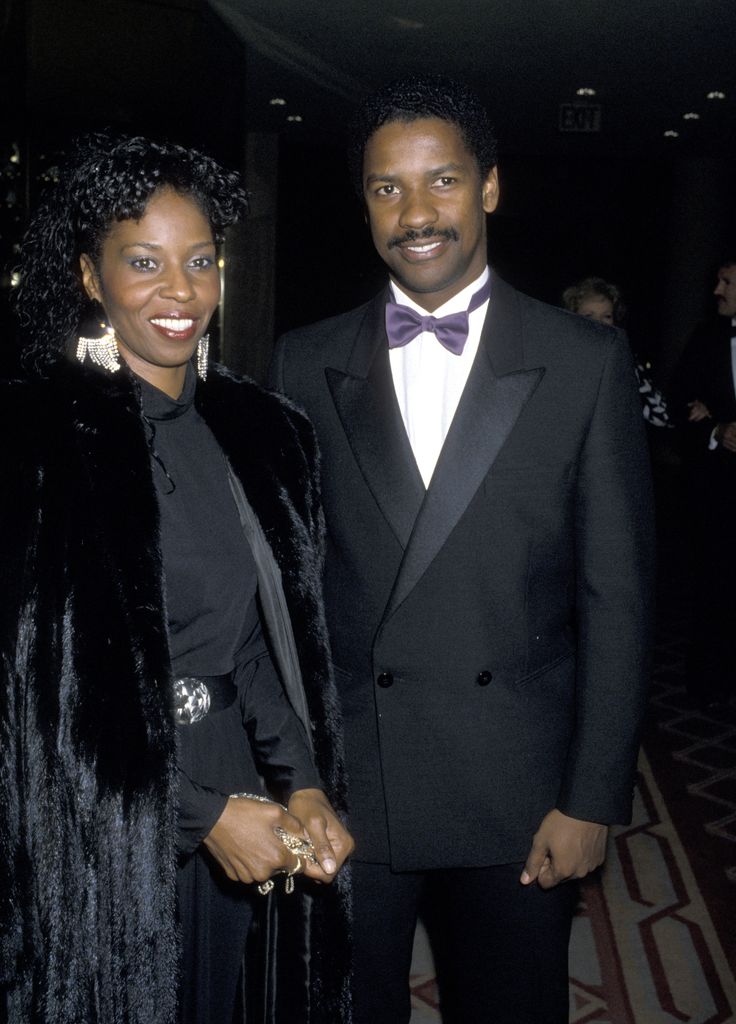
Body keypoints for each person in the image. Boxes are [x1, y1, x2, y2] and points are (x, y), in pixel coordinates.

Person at [269, 76, 655, 1024]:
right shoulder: (299, 362)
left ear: (488, 188)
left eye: (441, 181)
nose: (415, 213)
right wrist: (290, 779)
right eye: (386, 189)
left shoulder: (584, 360)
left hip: (518, 792)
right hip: (355, 789)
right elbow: (283, 590)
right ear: (362, 204)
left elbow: (619, 594)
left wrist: (593, 795)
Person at [0, 134, 353, 1024]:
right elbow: (29, 704)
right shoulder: (35, 437)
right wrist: (198, 815)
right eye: (144, 262)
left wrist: (302, 781)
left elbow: (265, 641)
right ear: (90, 276)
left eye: (200, 261)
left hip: (236, 764)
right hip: (105, 807)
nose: (180, 292)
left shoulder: (265, 431)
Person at [669, 256, 736, 706]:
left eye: (727, 281)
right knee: (716, 587)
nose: (717, 290)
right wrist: (715, 430)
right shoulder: (705, 338)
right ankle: (709, 688)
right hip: (720, 492)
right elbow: (677, 405)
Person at [562, 276, 670, 427]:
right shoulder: (561, 360)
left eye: (606, 316)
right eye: (589, 316)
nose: (599, 323)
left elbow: (661, 415)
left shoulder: (624, 360)